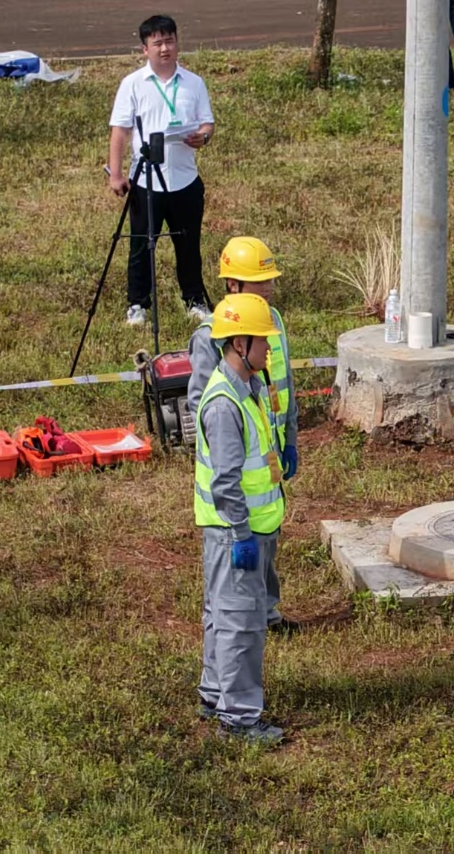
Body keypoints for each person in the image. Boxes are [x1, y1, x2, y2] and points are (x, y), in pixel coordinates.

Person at [188, 236, 299, 634]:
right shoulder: (210, 335)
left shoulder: (272, 322)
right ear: (232, 286)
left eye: (270, 281)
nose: (268, 289)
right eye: (259, 282)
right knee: (236, 549)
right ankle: (224, 620)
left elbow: (285, 381)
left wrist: (289, 437)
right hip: (239, 454)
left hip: (267, 447)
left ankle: (266, 613)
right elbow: (205, 405)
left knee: (267, 533)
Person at [194, 292, 286, 746]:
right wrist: (242, 533)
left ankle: (215, 694)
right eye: (263, 342)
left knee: (222, 614)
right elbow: (226, 482)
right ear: (239, 344)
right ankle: (240, 717)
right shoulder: (225, 404)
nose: (269, 350)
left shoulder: (242, 388)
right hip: (236, 531)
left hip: (239, 528)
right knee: (241, 621)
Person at [107, 14, 215, 327]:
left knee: (188, 243)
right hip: (145, 181)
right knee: (141, 243)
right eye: (157, 43)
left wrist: (203, 137)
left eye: (169, 41)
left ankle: (194, 299)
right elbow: (120, 131)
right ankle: (138, 304)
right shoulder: (132, 85)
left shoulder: (193, 83)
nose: (165, 48)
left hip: (184, 179)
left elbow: (207, 122)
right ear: (145, 49)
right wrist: (116, 175)